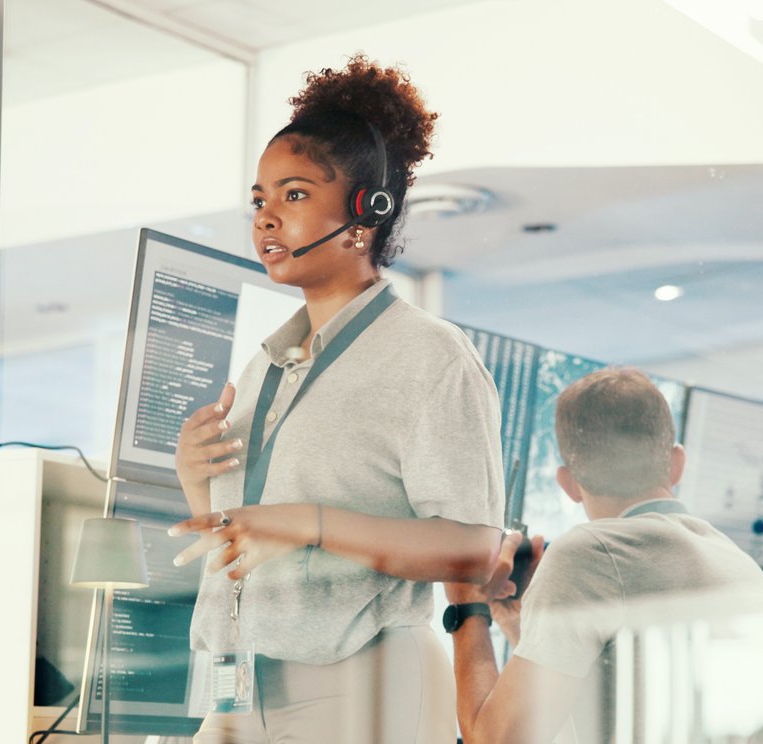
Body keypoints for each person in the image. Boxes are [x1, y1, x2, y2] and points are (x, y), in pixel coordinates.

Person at [167, 55, 508, 744]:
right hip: (239, 692)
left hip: (360, 686)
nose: (266, 219)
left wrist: (311, 521)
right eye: (259, 200)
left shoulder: (428, 356)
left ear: (366, 210)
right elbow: (242, 549)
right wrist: (196, 483)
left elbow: (474, 549)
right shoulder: (265, 365)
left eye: (293, 196)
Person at [445, 368, 763, 743]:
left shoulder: (589, 553)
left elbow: (495, 740)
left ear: (569, 484)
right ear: (676, 464)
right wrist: (524, 627)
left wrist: (466, 602)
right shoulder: (737, 560)